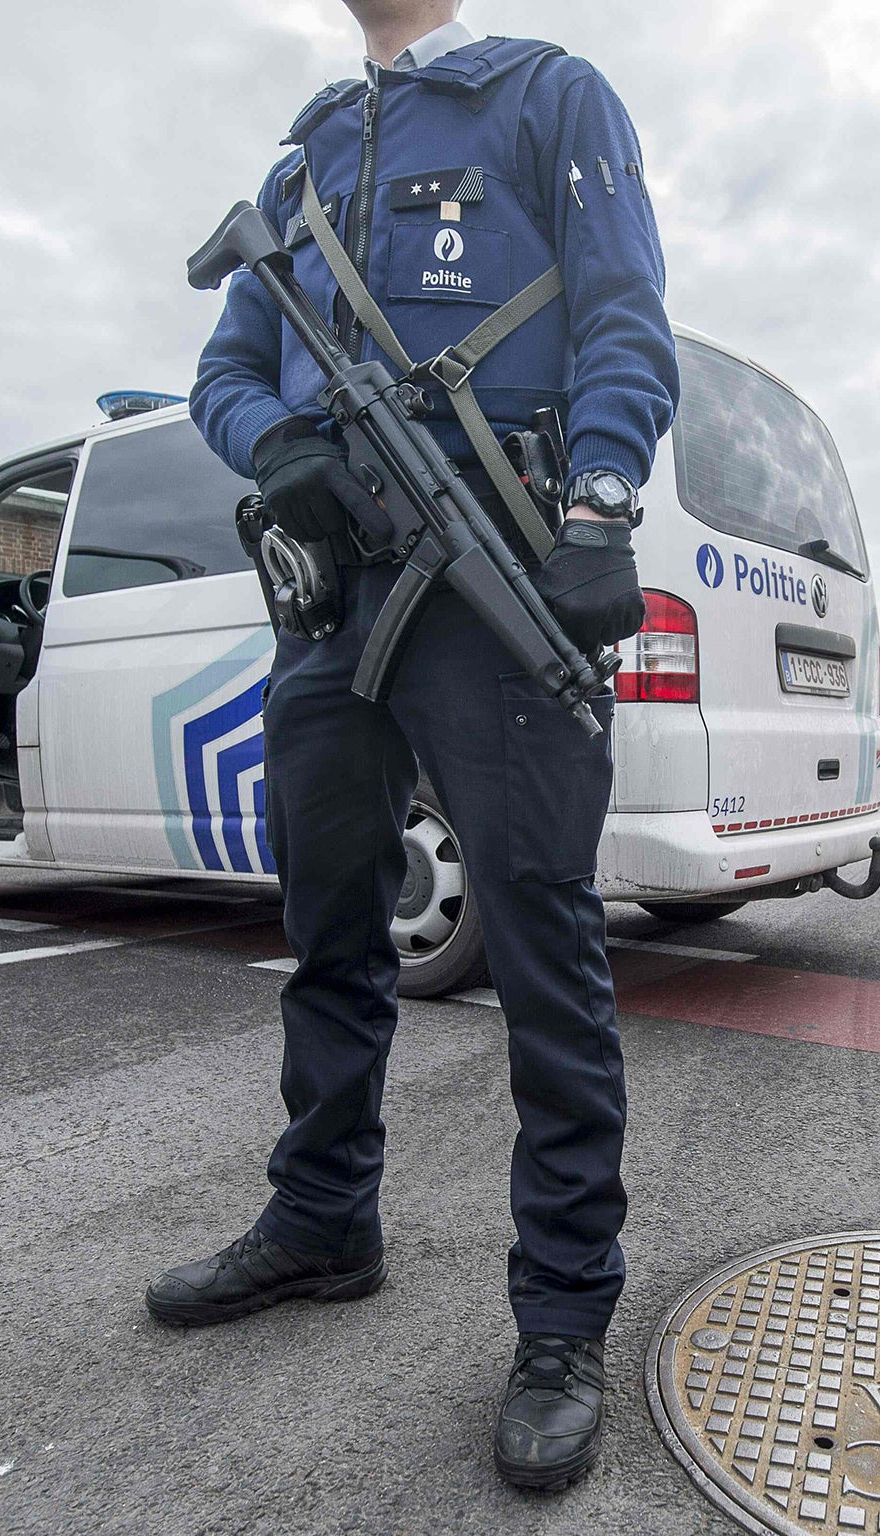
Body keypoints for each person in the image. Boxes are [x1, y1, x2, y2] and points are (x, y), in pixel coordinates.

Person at [149, 0, 677, 1492]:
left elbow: (625, 316)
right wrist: (281, 449)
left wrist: (598, 506)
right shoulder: (306, 160)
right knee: (330, 927)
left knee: (544, 949)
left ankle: (564, 1320)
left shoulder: (546, 101)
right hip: (334, 599)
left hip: (492, 572)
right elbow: (222, 372)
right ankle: (324, 1223)